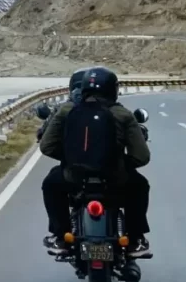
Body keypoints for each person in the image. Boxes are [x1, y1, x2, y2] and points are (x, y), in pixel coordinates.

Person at [39, 67, 152, 258]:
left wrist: (70, 159)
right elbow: (142, 157)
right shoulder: (123, 115)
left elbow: (46, 146)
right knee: (140, 186)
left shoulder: (67, 110)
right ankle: (135, 240)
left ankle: (60, 237)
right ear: (112, 89)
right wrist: (119, 163)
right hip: (115, 179)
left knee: (50, 185)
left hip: (73, 177)